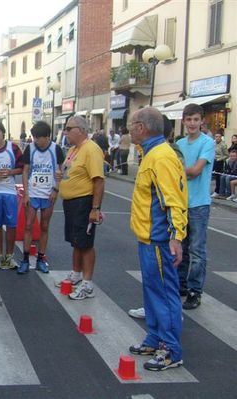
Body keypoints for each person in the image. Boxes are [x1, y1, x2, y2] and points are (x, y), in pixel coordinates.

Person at [127, 107, 187, 371]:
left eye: (131, 124)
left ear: (141, 127)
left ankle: (171, 349)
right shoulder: (151, 154)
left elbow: (172, 201)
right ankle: (155, 337)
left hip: (160, 239)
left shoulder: (160, 157)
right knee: (152, 292)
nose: (128, 129)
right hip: (148, 238)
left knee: (164, 294)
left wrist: (176, 238)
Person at [57, 116, 105, 300]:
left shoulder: (91, 149)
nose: (66, 132)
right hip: (71, 203)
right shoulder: (74, 149)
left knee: (85, 243)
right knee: (76, 241)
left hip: (83, 203)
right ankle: (76, 274)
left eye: (69, 128)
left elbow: (98, 180)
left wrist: (95, 208)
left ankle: (87, 283)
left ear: (81, 130)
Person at [176, 103, 215, 310]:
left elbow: (196, 170)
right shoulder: (180, 143)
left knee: (197, 250)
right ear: (183, 121)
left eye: (196, 120)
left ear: (201, 121)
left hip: (199, 204)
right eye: (188, 119)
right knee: (180, 247)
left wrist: (178, 171)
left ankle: (195, 291)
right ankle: (181, 285)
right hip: (180, 203)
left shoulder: (207, 143)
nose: (192, 123)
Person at [19, 121, 64, 274]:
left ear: (47, 137)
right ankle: (25, 259)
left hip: (48, 193)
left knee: (45, 226)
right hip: (33, 193)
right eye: (34, 137)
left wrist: (55, 190)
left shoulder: (56, 149)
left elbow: (60, 171)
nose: (36, 140)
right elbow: (25, 171)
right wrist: (26, 193)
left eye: (39, 138)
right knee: (28, 225)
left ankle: (41, 258)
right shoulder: (30, 149)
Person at [0, 119, 24, 270]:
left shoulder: (13, 148)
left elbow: (22, 167)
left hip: (9, 191)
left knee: (12, 225)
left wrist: (10, 172)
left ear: (3, 133)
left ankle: (10, 256)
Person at [211, 132, 229, 198]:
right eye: (216, 136)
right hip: (213, 160)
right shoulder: (214, 143)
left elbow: (227, 155)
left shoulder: (223, 145)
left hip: (219, 162)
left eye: (219, 136)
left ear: (221, 137)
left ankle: (217, 191)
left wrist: (219, 159)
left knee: (218, 177)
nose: (217, 138)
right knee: (212, 176)